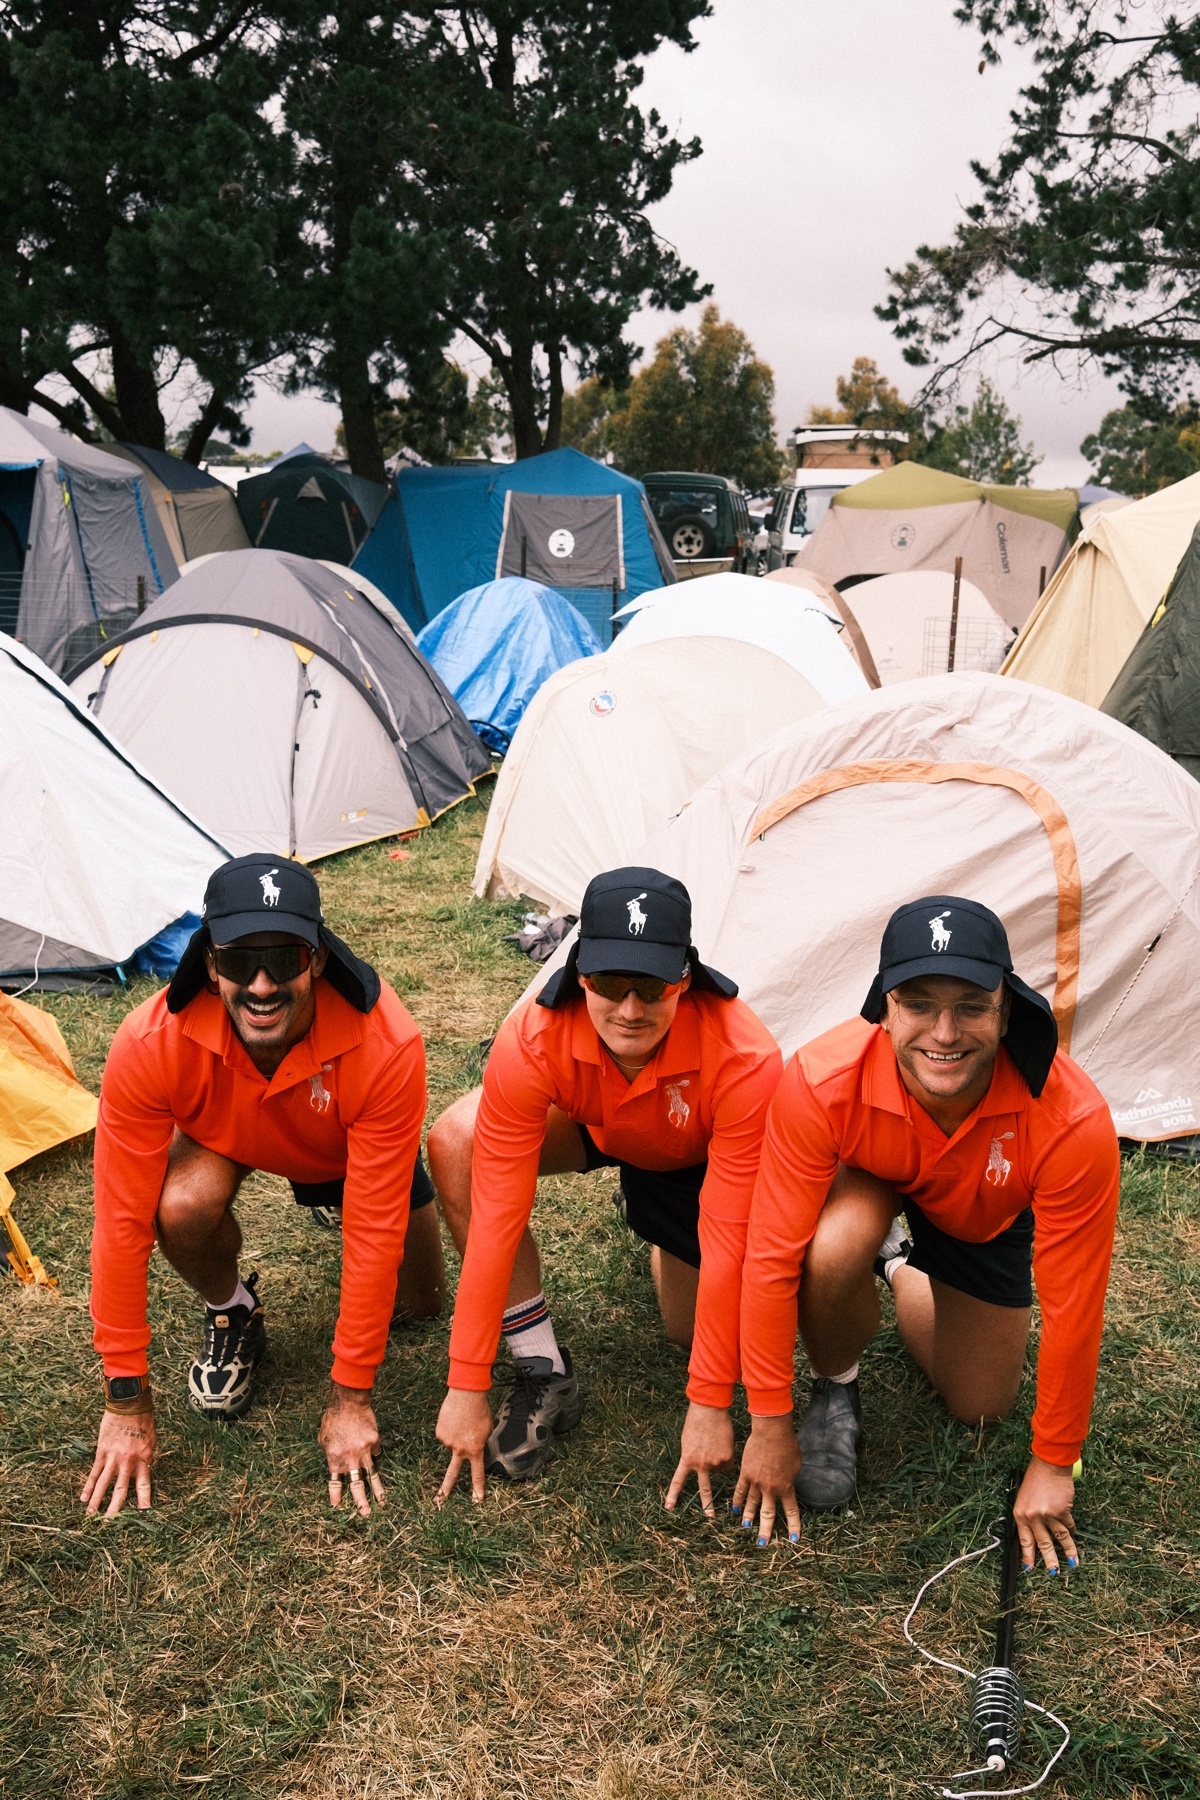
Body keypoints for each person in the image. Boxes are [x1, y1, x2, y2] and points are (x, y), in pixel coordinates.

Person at [733, 895, 1120, 1571]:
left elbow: (1074, 1305)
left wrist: (1055, 1462)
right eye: (918, 1003)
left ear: (1006, 1011)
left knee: (982, 1405)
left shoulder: (1071, 1119)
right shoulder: (822, 1079)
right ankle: (835, 1384)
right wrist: (770, 1421)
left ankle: (898, 1264)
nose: (944, 1032)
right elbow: (768, 1257)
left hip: (982, 1211)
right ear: (883, 1009)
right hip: (875, 1174)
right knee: (829, 1249)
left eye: (971, 1005)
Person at [82, 854, 443, 1520]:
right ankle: (233, 1310)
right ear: (208, 962)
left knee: (421, 1307)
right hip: (229, 1132)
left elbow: (373, 1233)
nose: (261, 985)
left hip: (340, 1144)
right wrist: (126, 1401)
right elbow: (120, 1221)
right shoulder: (149, 1040)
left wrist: (350, 1397)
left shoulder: (386, 1043)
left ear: (319, 959)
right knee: (179, 1206)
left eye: (283, 959)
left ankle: (374, 1183)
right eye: (238, 961)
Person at [429, 867, 782, 1502]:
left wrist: (709, 1400)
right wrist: (467, 1380)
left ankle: (654, 1222)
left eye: (651, 987)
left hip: (695, 1154)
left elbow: (727, 1236)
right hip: (599, 1121)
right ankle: (542, 1364)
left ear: (685, 978)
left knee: (689, 1329)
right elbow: (498, 1216)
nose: (629, 1009)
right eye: (609, 984)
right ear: (579, 972)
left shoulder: (744, 1053)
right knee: (458, 1141)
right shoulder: (534, 1035)